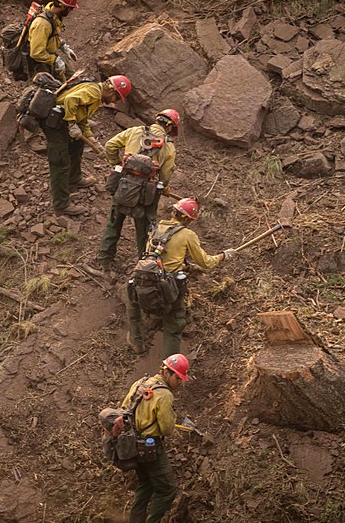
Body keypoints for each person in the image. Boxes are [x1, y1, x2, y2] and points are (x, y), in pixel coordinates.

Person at [126, 197, 238, 355]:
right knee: (173, 325)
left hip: (144, 279)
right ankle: (170, 366)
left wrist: (187, 267)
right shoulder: (187, 235)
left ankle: (136, 341)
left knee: (133, 304)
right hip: (168, 286)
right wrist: (224, 256)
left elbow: (157, 258)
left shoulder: (155, 228)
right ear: (186, 218)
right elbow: (206, 262)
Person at [122, 354, 189, 523]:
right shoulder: (165, 395)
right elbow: (167, 429)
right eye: (177, 378)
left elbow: (124, 408)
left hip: (133, 445)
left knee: (146, 484)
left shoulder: (140, 383)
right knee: (168, 490)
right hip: (151, 448)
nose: (178, 382)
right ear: (166, 372)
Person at [97, 109, 180, 269]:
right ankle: (144, 265)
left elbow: (110, 145)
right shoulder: (168, 146)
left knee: (114, 222)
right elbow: (165, 174)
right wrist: (164, 186)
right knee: (145, 230)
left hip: (123, 185)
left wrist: (116, 163)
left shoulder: (135, 131)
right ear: (169, 127)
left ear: (157, 120)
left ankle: (103, 258)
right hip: (146, 194)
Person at [42, 75, 132, 216]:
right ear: (110, 90)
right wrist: (71, 123)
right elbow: (70, 100)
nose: (114, 102)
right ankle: (61, 205)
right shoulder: (94, 92)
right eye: (117, 97)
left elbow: (82, 120)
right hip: (55, 122)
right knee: (60, 162)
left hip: (64, 121)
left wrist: (93, 140)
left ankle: (74, 178)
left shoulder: (96, 96)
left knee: (77, 147)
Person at [28, 0, 79, 79]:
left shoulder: (54, 17)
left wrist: (63, 46)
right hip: (41, 64)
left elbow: (51, 36)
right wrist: (54, 60)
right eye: (70, 8)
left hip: (50, 55)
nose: (71, 11)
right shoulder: (43, 24)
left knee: (73, 80)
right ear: (62, 6)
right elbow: (36, 53)